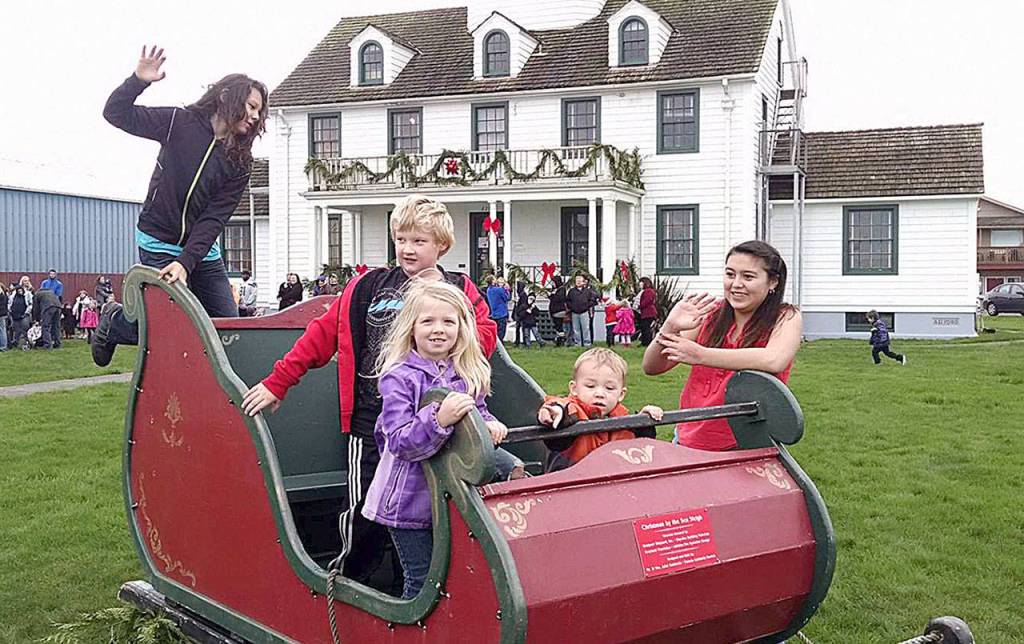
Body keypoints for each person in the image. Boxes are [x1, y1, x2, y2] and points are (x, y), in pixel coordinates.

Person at [240, 195, 498, 593]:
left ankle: (411, 590)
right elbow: (322, 335)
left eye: (420, 241)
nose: (409, 249)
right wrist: (279, 382)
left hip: (440, 427)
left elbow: (483, 339)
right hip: (373, 421)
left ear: (442, 246)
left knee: (428, 513)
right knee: (365, 511)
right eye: (402, 239)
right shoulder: (370, 285)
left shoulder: (459, 289)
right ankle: (348, 582)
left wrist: (448, 304)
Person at [91, 45, 269, 367]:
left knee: (227, 329)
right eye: (252, 106)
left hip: (201, 252)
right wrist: (137, 80)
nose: (256, 116)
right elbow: (115, 113)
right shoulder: (179, 122)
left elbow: (214, 218)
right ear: (228, 96)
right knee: (167, 326)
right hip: (158, 241)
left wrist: (187, 263)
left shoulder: (241, 162)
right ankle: (115, 322)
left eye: (260, 112)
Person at [362, 280, 524, 599]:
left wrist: (489, 426)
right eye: (428, 321)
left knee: (452, 577)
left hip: (449, 498)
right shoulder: (399, 376)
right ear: (411, 328)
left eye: (448, 321)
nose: (438, 330)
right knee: (421, 581)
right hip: (407, 499)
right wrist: (438, 418)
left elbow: (478, 412)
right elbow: (398, 441)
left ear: (461, 328)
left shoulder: (462, 373)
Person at [642, 240, 802, 451]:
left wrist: (701, 354)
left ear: (773, 282)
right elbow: (652, 367)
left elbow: (774, 359)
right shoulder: (710, 313)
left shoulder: (786, 317)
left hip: (747, 443)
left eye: (748, 276)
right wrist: (670, 326)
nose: (736, 284)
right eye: (730, 274)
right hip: (690, 437)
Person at [538, 348, 663, 471]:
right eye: (590, 386)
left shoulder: (624, 420)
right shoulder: (572, 412)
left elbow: (642, 448)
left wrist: (643, 422)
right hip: (571, 484)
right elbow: (561, 409)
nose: (600, 393)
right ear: (574, 388)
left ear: (621, 394)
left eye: (609, 388)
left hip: (614, 485)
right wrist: (554, 412)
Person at [566, 274, 599, 347]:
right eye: (577, 281)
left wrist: (587, 306)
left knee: (586, 328)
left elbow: (593, 300)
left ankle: (587, 343)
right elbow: (568, 301)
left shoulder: (587, 291)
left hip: (584, 312)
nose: (578, 282)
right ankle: (578, 343)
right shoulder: (571, 291)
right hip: (574, 313)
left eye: (579, 281)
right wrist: (572, 307)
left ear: (583, 282)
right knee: (576, 329)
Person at [486, 275, 511, 343]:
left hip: (494, 314)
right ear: (492, 281)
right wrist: (507, 290)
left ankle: (495, 344)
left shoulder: (488, 290)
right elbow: (507, 298)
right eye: (494, 279)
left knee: (496, 332)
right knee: (501, 332)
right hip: (502, 313)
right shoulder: (499, 290)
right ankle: (500, 346)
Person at [547, 275, 569, 346]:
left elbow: (559, 299)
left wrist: (552, 295)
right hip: (554, 311)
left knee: (559, 326)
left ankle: (561, 341)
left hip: (559, 311)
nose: (552, 284)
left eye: (553, 282)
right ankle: (559, 339)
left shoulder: (562, 289)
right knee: (557, 326)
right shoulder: (555, 289)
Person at [8, 285, 31, 350]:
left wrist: (27, 312)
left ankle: (25, 343)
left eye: (21, 291)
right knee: (16, 330)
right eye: (18, 291)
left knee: (25, 329)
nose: (20, 292)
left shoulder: (27, 294)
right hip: (14, 316)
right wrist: (10, 310)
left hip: (24, 315)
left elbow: (30, 304)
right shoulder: (12, 296)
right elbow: (9, 304)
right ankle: (16, 343)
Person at [637, 277, 659, 346]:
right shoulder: (647, 291)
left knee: (646, 328)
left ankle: (647, 343)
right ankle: (644, 342)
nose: (639, 284)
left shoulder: (648, 291)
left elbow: (647, 301)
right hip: (646, 313)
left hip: (648, 313)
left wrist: (639, 306)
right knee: (644, 328)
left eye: (641, 282)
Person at [0, 283, 9, 352]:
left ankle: (3, 346)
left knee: (2, 330)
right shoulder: (5, 294)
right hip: (3, 314)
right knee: (3, 330)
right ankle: (4, 346)